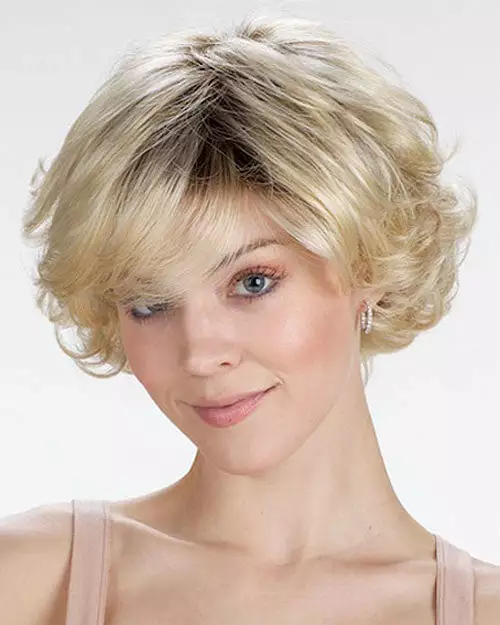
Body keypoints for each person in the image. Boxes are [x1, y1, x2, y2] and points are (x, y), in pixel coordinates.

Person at [2, 12, 499, 625]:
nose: (199, 354)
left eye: (252, 282)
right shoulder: (30, 579)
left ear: (367, 261)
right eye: (149, 303)